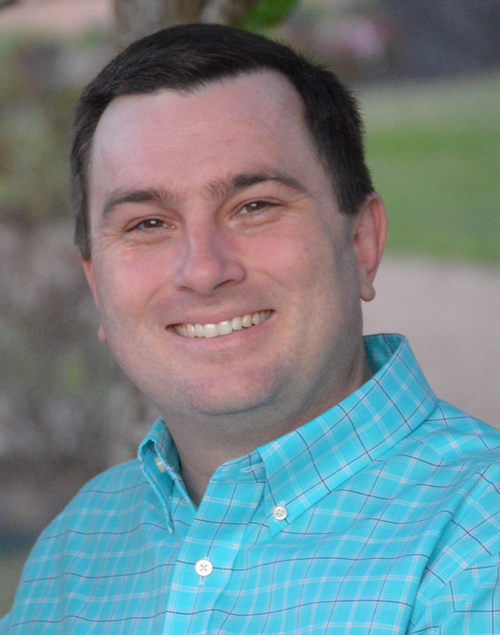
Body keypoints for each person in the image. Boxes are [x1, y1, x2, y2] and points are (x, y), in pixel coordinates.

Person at [2, 23, 500, 634]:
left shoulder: (480, 542)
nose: (204, 270)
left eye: (255, 206)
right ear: (98, 289)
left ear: (362, 242)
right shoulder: (74, 552)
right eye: (147, 224)